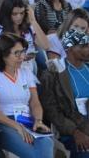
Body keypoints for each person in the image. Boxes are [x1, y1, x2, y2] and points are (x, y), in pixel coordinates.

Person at [0, 33, 53, 158]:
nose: (22, 57)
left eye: (23, 52)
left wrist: (38, 121)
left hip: (27, 120)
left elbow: (35, 102)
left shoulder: (25, 72)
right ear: (3, 55)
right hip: (3, 121)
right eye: (16, 53)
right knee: (33, 154)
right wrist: (16, 126)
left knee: (47, 142)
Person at [39, 29, 89, 157]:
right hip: (73, 126)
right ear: (69, 48)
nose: (88, 49)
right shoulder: (53, 74)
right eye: (83, 46)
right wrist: (75, 132)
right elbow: (52, 110)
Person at [0, 0, 49, 73]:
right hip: (9, 70)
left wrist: (33, 21)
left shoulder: (29, 28)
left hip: (30, 67)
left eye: (22, 13)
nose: (19, 17)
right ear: (7, 13)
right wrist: (18, 58)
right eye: (15, 14)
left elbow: (46, 46)